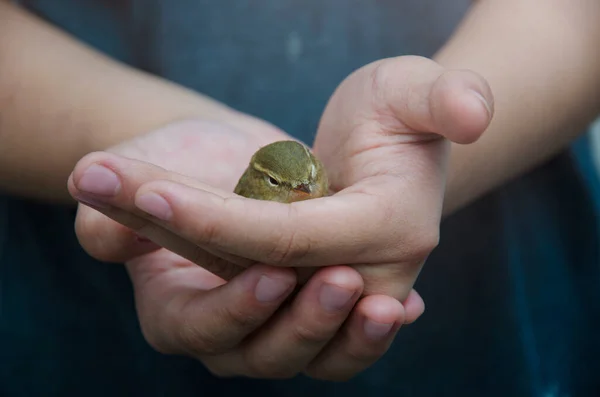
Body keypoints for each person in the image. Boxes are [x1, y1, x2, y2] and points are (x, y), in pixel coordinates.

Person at [1, 0, 599, 396]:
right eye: (290, 188)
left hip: (500, 284)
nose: (310, 192)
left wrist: (425, 151)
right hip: (83, 325)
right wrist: (142, 143)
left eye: (311, 181)